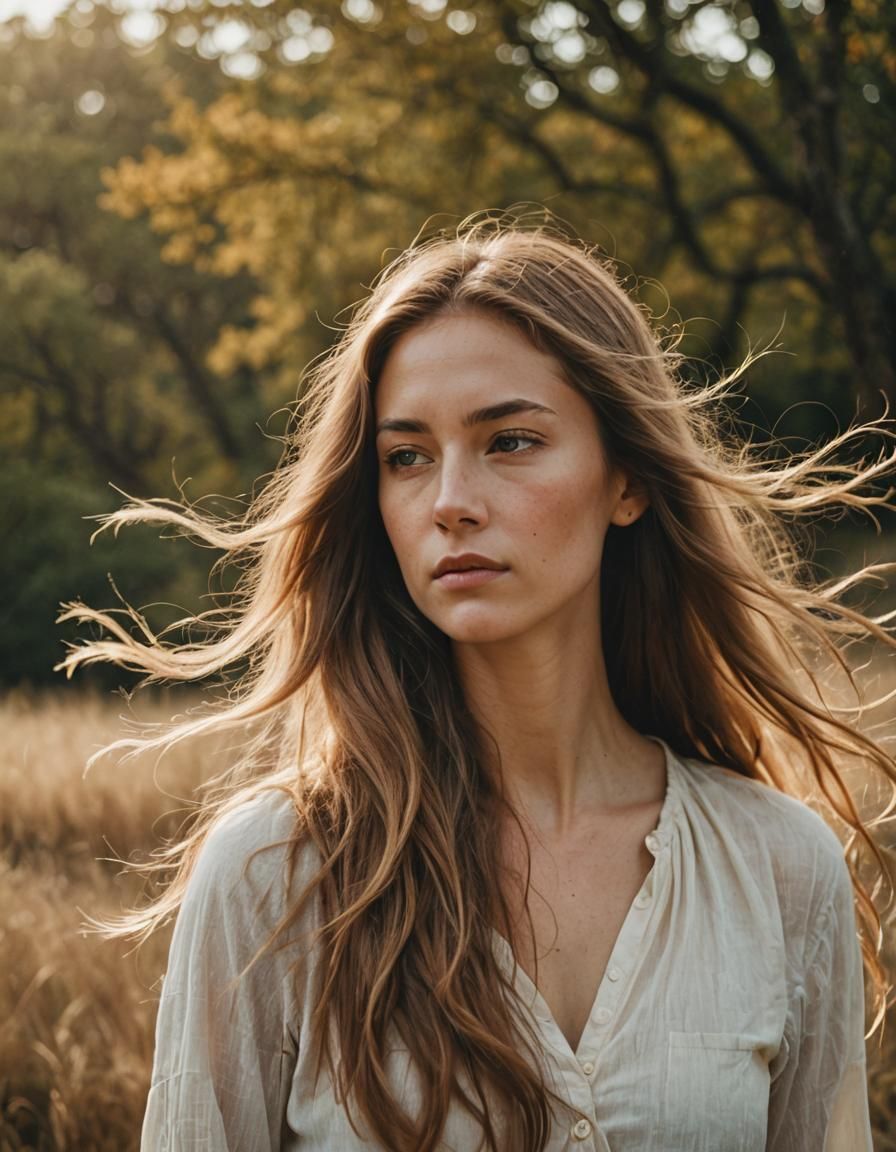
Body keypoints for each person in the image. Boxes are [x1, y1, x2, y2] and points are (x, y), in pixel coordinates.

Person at [59, 215, 895, 1152]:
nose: (450, 499)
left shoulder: (779, 870)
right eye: (405, 457)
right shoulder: (277, 876)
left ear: (628, 481)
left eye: (510, 442)